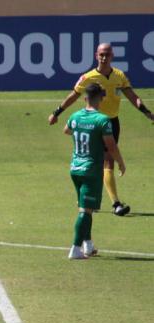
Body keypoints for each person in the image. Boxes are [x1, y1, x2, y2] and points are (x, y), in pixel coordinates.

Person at [48, 43, 153, 216]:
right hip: (94, 122)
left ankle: (87, 198)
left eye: (107, 54)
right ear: (96, 55)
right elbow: (73, 95)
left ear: (112, 56)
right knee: (104, 161)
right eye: (101, 54)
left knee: (100, 161)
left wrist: (147, 112)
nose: (104, 57)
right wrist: (56, 112)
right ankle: (116, 204)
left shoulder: (119, 76)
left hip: (112, 122)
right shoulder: (88, 77)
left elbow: (132, 96)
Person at [62, 83, 126, 259]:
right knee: (86, 211)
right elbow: (111, 146)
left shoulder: (75, 116)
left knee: (84, 207)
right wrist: (120, 162)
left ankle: (87, 244)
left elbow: (66, 130)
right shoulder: (102, 120)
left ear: (84, 99)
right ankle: (75, 249)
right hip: (91, 170)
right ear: (102, 98)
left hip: (75, 168)